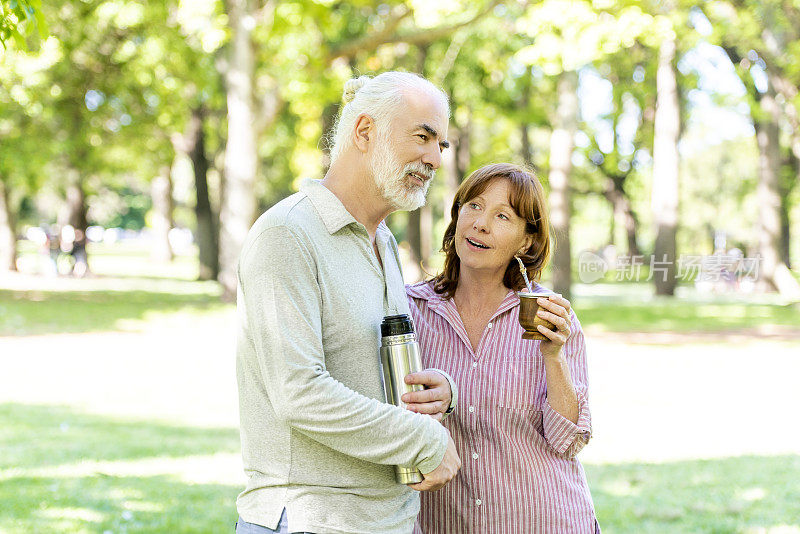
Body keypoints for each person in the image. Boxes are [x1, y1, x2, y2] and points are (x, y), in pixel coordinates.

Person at [235, 72, 462, 534]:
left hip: (392, 519)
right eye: (423, 136)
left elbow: (363, 365)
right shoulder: (287, 234)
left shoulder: (385, 243)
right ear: (364, 131)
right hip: (307, 520)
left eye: (441, 144)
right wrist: (424, 439)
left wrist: (437, 391)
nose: (434, 158)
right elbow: (298, 392)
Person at [406, 163, 599, 533]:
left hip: (542, 521)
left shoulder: (549, 316)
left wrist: (553, 356)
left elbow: (569, 440)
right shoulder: (411, 311)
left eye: (502, 216)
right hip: (445, 523)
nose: (481, 223)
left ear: (526, 241)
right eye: (474, 206)